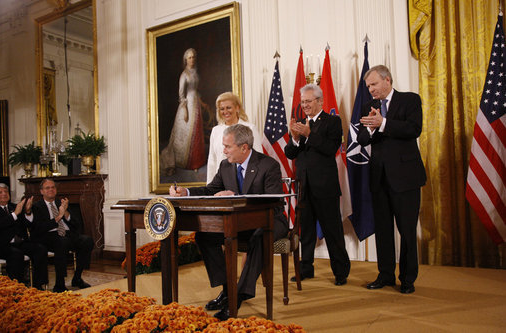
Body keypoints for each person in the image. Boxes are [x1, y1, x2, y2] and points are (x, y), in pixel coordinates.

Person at [170, 124, 288, 321]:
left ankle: (238, 297)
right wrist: (186, 191)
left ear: (244, 147)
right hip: (240, 223)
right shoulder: (226, 165)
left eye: (227, 147)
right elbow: (210, 190)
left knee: (260, 238)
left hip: (271, 221)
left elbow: (274, 204)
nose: (223, 151)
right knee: (205, 236)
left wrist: (238, 196)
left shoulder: (268, 165)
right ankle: (227, 289)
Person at [357, 65, 426, 294]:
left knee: (406, 231)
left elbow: (414, 129)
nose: (370, 90)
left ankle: (407, 279)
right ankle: (385, 275)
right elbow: (363, 139)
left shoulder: (410, 100)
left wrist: (383, 124)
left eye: (374, 84)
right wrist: (370, 129)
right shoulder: (369, 106)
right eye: (368, 86)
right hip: (379, 178)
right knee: (383, 230)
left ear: (387, 80)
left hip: (405, 179)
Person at [284, 83, 350, 286]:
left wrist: (308, 134)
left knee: (333, 231)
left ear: (320, 101)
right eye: (302, 102)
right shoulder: (301, 124)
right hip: (304, 188)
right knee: (307, 233)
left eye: (308, 101)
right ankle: (306, 269)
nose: (304, 105)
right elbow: (289, 153)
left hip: (326, 188)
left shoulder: (332, 121)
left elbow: (331, 149)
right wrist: (295, 139)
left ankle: (341, 272)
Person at [30, 178, 93, 292]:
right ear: (41, 191)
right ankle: (59, 283)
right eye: (47, 188)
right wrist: (58, 216)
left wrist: (66, 212)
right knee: (62, 242)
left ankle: (77, 278)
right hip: (48, 237)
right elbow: (39, 228)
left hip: (67, 234)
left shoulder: (61, 202)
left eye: (53, 187)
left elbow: (76, 224)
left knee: (87, 240)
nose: (51, 190)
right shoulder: (37, 206)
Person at [0, 183, 48, 290]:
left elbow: (29, 225)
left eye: (6, 192)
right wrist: (15, 214)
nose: (4, 194)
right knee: (16, 254)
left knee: (40, 249)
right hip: (1, 245)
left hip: (19, 242)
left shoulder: (14, 206)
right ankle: (17, 288)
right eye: (0, 192)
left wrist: (27, 212)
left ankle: (38, 285)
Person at [161, 48, 206, 176]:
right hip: (187, 105)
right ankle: (185, 162)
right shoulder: (184, 75)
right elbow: (181, 94)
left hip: (195, 103)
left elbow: (196, 91)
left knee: (196, 133)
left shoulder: (195, 73)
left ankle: (196, 162)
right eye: (189, 58)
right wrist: (185, 110)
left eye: (193, 57)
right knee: (186, 134)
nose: (192, 60)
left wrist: (201, 103)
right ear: (185, 60)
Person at [206, 92, 263, 183]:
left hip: (244, 181)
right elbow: (212, 160)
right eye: (222, 109)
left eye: (228, 107)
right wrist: (210, 185)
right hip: (221, 182)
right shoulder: (215, 131)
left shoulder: (250, 128)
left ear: (237, 108)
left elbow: (258, 157)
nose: (225, 112)